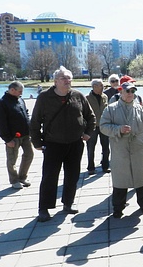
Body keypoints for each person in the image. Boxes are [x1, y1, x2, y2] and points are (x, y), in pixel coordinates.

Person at [30, 66, 96, 222]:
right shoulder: (44, 98)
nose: (67, 81)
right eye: (63, 78)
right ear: (55, 81)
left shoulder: (78, 96)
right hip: (53, 144)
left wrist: (88, 133)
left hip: (75, 143)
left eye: (69, 78)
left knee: (72, 175)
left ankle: (68, 203)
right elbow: (34, 122)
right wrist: (37, 142)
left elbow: (91, 116)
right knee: (49, 177)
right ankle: (44, 208)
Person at [100, 82, 143, 218]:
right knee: (120, 179)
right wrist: (118, 129)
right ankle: (118, 208)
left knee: (141, 177)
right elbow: (103, 126)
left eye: (133, 91)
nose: (130, 94)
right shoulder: (111, 109)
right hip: (120, 149)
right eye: (128, 91)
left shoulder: (140, 109)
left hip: (138, 148)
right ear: (121, 92)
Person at [0, 81, 34, 189]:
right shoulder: (2, 103)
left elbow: (26, 113)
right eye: (20, 91)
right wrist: (7, 139)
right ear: (12, 90)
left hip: (25, 135)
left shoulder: (20, 100)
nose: (21, 93)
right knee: (12, 160)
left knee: (29, 155)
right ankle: (14, 180)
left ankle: (22, 177)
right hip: (12, 137)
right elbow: (0, 123)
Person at [85, 79, 110, 175]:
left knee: (106, 147)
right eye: (101, 85)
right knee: (91, 148)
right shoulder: (87, 98)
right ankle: (91, 167)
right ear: (94, 86)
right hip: (92, 127)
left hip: (104, 125)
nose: (103, 87)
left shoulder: (105, 97)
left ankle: (105, 166)